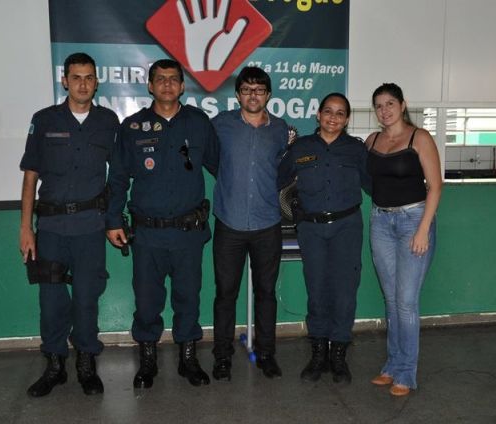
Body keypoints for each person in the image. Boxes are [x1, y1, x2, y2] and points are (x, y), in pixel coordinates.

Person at [105, 59, 219, 389]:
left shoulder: (198, 123)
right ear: (150, 86)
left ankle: (188, 359)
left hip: (187, 234)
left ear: (182, 86)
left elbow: (222, 168)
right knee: (146, 301)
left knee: (188, 297)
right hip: (148, 234)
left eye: (173, 79)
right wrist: (113, 219)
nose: (167, 84)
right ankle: (148, 361)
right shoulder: (132, 127)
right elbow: (118, 178)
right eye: (160, 79)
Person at [19, 52, 119, 397]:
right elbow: (30, 177)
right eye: (76, 77)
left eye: (89, 77)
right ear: (64, 81)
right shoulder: (44, 119)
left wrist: (113, 219)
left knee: (87, 298)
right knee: (51, 300)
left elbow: (119, 175)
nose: (83, 84)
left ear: (96, 82)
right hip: (51, 228)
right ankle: (55, 364)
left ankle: (86, 363)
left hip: (90, 227)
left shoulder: (108, 121)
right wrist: (26, 227)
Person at [278, 92, 371, 384]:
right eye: (328, 111)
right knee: (316, 290)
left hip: (347, 227)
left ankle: (338, 356)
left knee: (345, 292)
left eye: (340, 113)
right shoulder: (300, 147)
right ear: (318, 115)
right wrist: (293, 207)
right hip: (312, 229)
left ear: (347, 119)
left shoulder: (356, 150)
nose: (333, 117)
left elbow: (373, 184)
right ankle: (318, 354)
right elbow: (279, 180)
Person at [210, 67, 289, 381]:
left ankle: (266, 354)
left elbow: (284, 167)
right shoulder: (220, 125)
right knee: (225, 294)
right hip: (229, 223)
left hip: (267, 224)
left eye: (259, 90)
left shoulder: (280, 129)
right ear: (237, 94)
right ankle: (222, 357)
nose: (253, 95)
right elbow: (211, 161)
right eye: (246, 89)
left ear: (268, 95)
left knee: (266, 293)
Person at [365, 83, 442, 397]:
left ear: (403, 104)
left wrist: (423, 229)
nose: (384, 110)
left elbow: (435, 186)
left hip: (414, 221)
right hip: (380, 221)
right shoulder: (372, 141)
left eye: (390, 103)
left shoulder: (419, 137)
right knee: (391, 300)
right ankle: (392, 365)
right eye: (379, 105)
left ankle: (407, 373)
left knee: (406, 302)